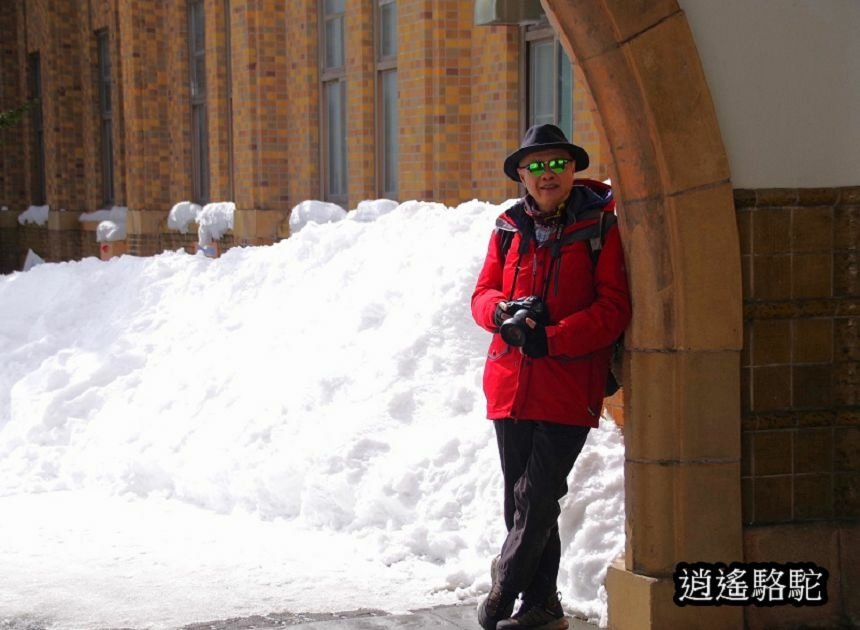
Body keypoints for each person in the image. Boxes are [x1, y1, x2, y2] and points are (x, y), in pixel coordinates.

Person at [471, 124, 631, 630]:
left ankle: (505, 585)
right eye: (535, 165)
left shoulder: (601, 225)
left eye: (557, 163)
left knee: (537, 497)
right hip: (510, 384)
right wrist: (503, 314)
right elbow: (482, 294)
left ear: (573, 168)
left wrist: (552, 337)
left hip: (568, 387)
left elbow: (613, 309)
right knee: (519, 503)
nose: (547, 174)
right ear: (521, 173)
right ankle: (544, 607)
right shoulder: (507, 227)